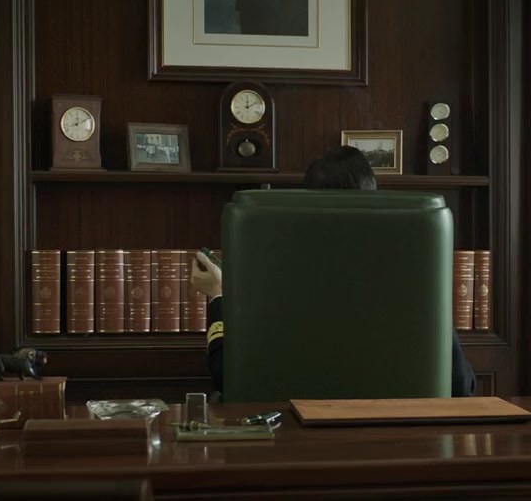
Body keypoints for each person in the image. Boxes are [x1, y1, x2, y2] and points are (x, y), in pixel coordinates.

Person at [191, 146, 478, 398]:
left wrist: (218, 295)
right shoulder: (412, 278)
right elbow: (461, 386)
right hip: (396, 436)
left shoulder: (279, 281)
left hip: (292, 435)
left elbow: (228, 377)